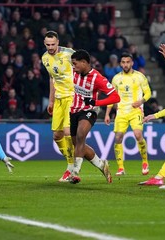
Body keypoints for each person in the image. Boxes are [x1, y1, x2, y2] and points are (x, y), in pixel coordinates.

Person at [69, 49, 120, 184]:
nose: (73, 67)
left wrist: (96, 102)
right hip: (73, 110)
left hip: (89, 110)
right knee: (79, 145)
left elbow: (116, 97)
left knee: (81, 135)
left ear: (84, 62)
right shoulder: (73, 73)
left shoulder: (98, 78)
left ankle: (75, 171)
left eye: (75, 64)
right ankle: (102, 165)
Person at [104, 53, 151, 176]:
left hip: (136, 111)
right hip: (121, 112)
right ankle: (120, 168)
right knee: (118, 138)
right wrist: (108, 114)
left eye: (128, 62)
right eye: (123, 62)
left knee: (137, 134)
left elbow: (148, 93)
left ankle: (145, 162)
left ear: (132, 63)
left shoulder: (140, 76)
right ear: (120, 64)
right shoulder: (116, 79)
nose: (125, 64)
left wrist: (140, 102)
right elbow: (112, 97)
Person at [42, 31, 75, 182]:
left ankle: (72, 168)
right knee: (57, 135)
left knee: (68, 131)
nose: (50, 47)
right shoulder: (45, 58)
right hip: (59, 99)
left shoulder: (69, 54)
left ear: (58, 42)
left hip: (72, 96)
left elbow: (85, 69)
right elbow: (52, 79)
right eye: (47, 45)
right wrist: (51, 101)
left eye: (53, 44)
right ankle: (71, 163)